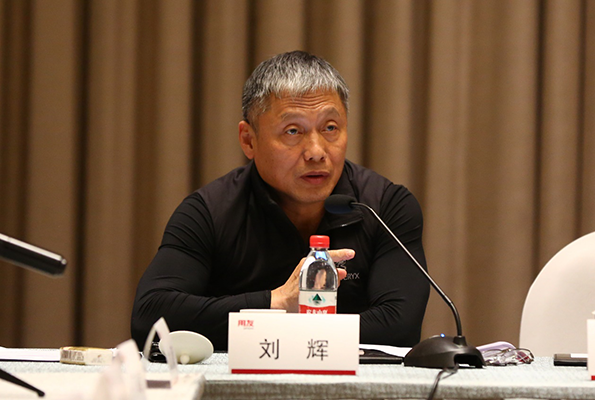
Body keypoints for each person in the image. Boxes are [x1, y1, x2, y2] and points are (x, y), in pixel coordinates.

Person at [131, 51, 430, 351]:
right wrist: (276, 302)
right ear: (248, 140)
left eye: (330, 128)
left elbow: (400, 326)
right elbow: (149, 318)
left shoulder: (385, 207)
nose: (316, 151)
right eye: (293, 131)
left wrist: (270, 326)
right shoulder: (209, 212)